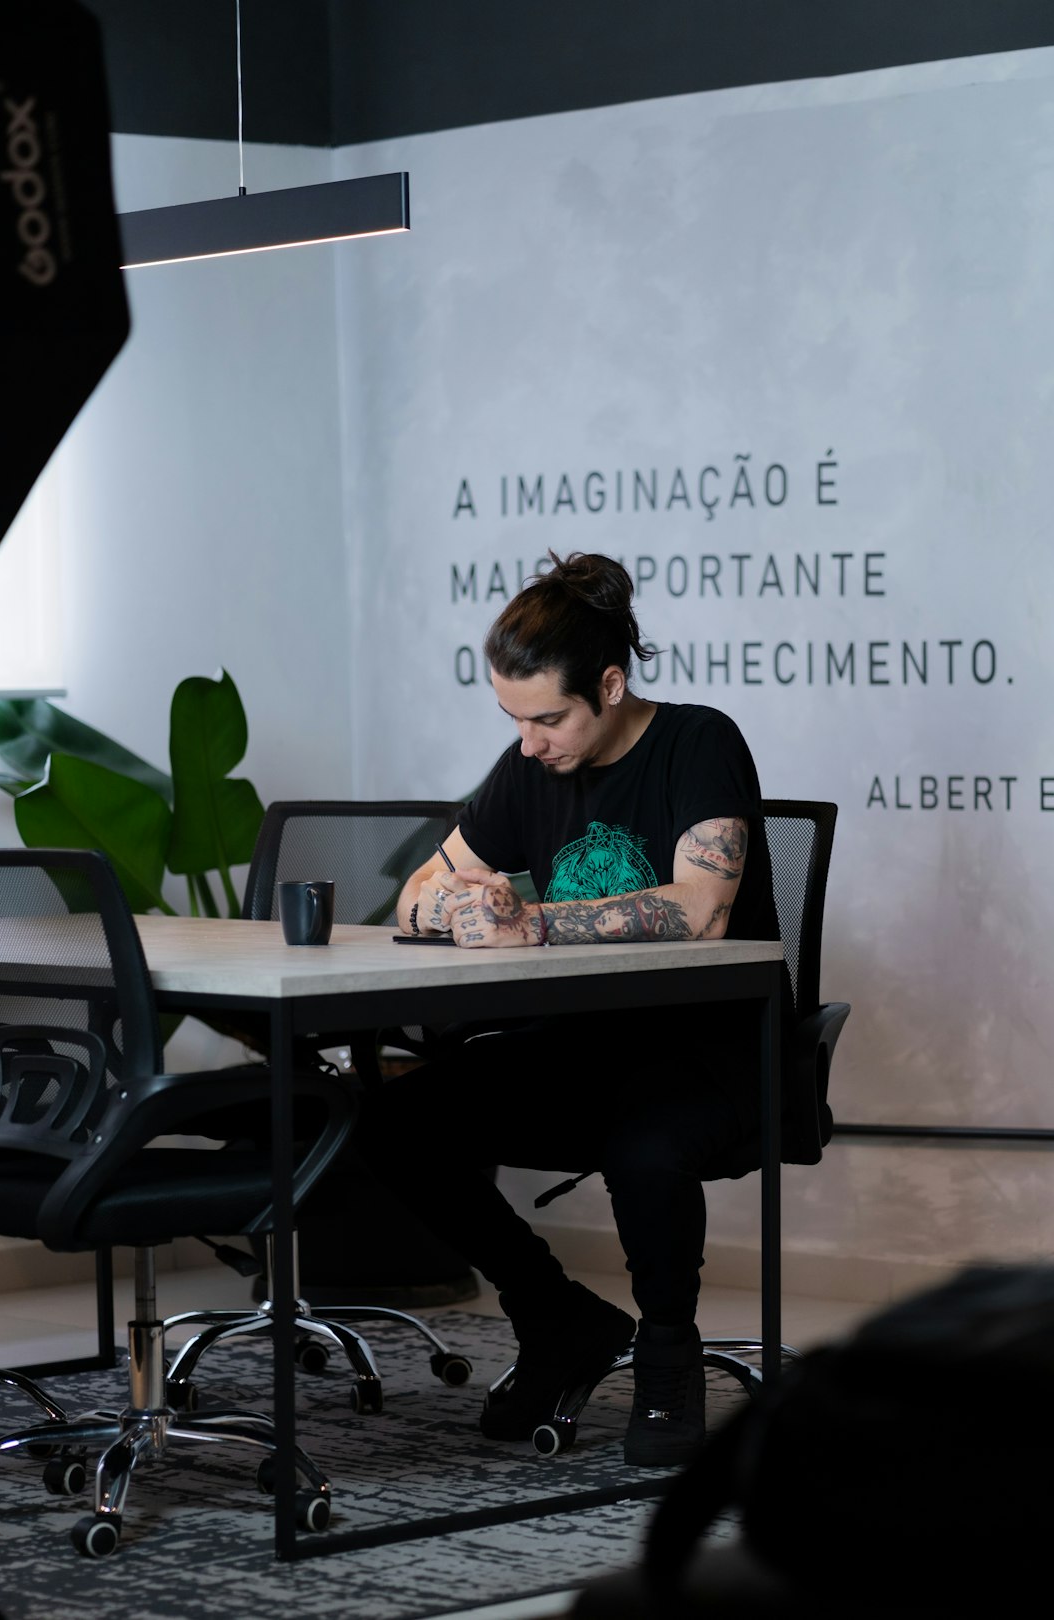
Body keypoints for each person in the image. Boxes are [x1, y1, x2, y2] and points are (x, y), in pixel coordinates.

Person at [356, 551, 789, 1467]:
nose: (528, 742)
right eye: (512, 719)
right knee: (396, 1121)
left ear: (611, 683)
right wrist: (457, 906)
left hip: (714, 1052)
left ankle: (669, 1355)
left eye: (547, 717)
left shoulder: (699, 742)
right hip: (581, 1049)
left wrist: (534, 923)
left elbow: (702, 911)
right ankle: (555, 1316)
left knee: (646, 1146)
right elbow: (416, 892)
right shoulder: (530, 770)